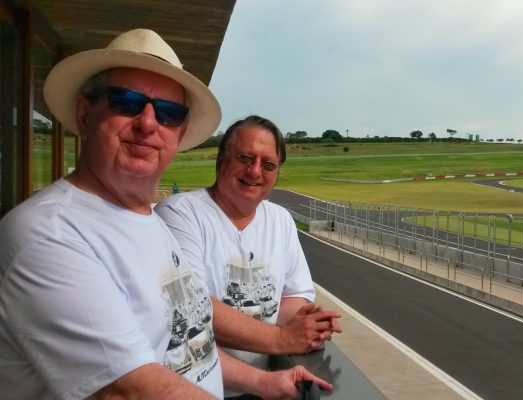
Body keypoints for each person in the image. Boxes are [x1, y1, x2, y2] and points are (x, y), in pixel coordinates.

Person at [0, 29, 328, 399]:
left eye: (169, 113)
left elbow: (186, 347)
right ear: (85, 113)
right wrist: (280, 340)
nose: (148, 123)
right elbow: (130, 389)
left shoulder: (151, 224)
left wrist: (264, 382)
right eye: (126, 102)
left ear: (180, 132)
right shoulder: (49, 233)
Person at [155, 115, 343, 398]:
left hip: (261, 385)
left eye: (268, 164)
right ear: (221, 160)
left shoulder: (280, 220)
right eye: (245, 158)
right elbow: (192, 309)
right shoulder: (180, 214)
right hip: (195, 389)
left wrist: (309, 325)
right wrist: (282, 338)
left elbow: (295, 295)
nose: (255, 171)